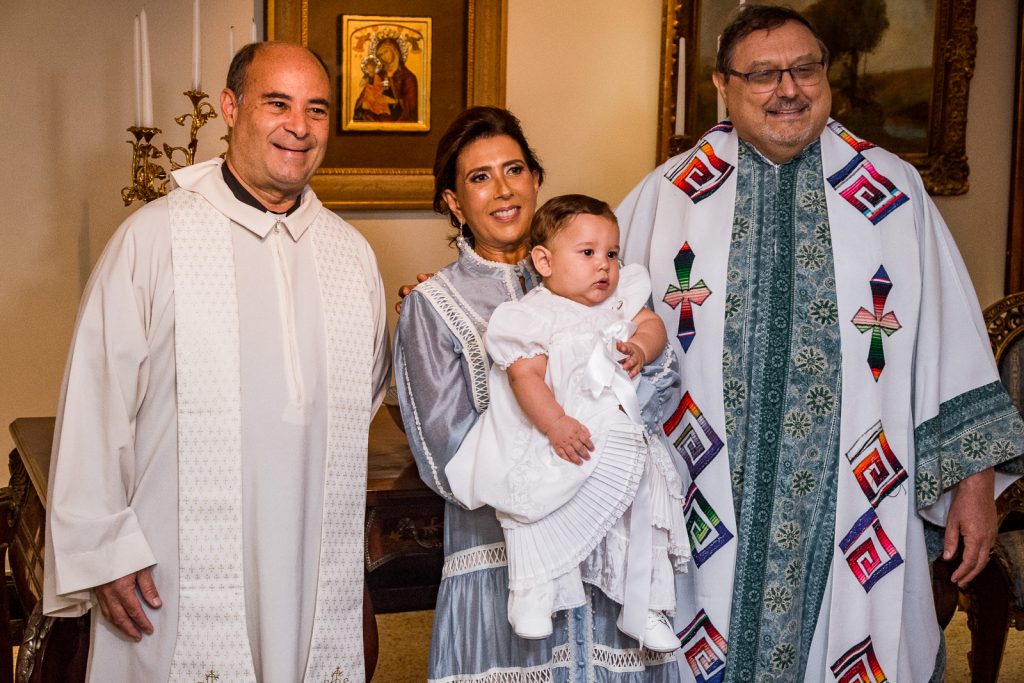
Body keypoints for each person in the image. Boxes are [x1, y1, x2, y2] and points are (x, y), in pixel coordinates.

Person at [615, 5, 1024, 682]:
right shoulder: (668, 196)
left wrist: (975, 484)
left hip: (853, 497)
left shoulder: (891, 191)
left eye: (806, 69)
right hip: (702, 496)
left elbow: (951, 343)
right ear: (723, 84)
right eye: (765, 74)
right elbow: (579, 305)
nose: (789, 88)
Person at [43, 42, 390, 682]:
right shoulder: (153, 239)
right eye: (277, 103)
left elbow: (363, 396)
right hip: (174, 564)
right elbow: (96, 401)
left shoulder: (351, 256)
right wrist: (104, 550)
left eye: (317, 109)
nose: (300, 127)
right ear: (230, 108)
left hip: (311, 557)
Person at [394, 107, 683, 681]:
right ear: (454, 202)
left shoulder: (598, 275)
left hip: (610, 539)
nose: (503, 190)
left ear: (535, 180)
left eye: (515, 169)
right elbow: (443, 454)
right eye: (479, 177)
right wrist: (549, 478)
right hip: (502, 553)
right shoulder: (433, 305)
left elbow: (663, 383)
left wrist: (609, 423)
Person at [444, 194, 689, 650]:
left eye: (612, 254)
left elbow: (653, 326)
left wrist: (640, 347)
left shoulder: (620, 302)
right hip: (555, 432)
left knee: (643, 506)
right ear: (545, 261)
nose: (605, 266)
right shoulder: (531, 315)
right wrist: (555, 424)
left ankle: (646, 602)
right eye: (589, 253)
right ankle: (534, 591)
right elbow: (525, 377)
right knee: (540, 499)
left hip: (617, 431)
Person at [353, 35, 417, 123]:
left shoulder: (408, 78)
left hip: (398, 122)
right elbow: (363, 98)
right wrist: (363, 105)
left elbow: (410, 110)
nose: (384, 56)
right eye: (381, 54)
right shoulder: (378, 75)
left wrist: (394, 102)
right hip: (372, 119)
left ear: (395, 50)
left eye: (386, 51)